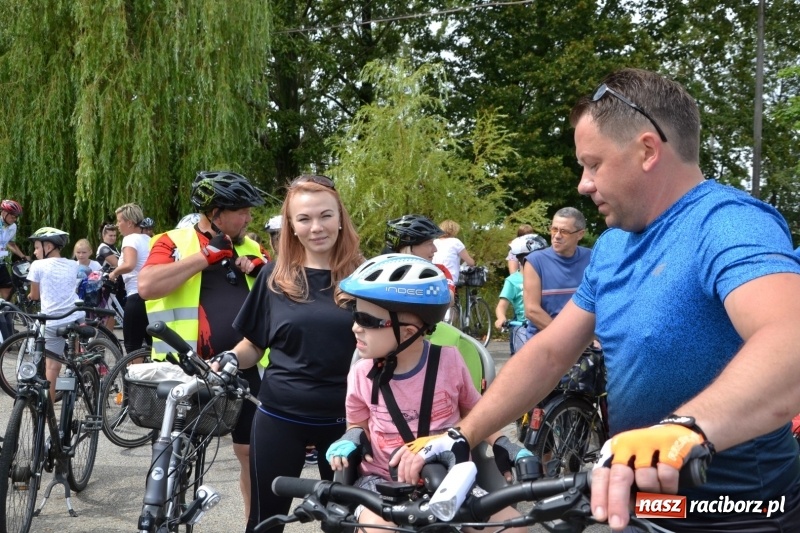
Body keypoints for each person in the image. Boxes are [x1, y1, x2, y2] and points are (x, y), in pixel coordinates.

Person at [391, 68, 800, 531]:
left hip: (741, 513)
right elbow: (549, 352)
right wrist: (464, 435)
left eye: (593, 164)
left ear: (647, 150)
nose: (583, 184)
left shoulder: (728, 223)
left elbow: (790, 338)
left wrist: (687, 428)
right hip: (645, 507)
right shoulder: (613, 244)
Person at [327, 254, 528, 533]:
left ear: (408, 331)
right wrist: (351, 435)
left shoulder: (450, 362)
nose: (354, 327)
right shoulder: (361, 374)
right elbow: (358, 423)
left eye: (365, 319)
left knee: (515, 529)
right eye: (354, 316)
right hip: (383, 483)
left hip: (451, 480)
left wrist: (503, 442)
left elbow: (475, 413)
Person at [209, 174, 361, 533]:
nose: (316, 227)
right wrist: (231, 359)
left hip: (349, 423)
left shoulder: (364, 277)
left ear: (340, 218)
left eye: (325, 216)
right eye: (304, 219)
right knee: (265, 522)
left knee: (343, 524)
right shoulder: (275, 276)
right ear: (291, 226)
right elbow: (253, 346)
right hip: (279, 416)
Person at [138, 170, 269, 519]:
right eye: (242, 210)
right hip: (184, 367)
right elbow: (147, 286)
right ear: (215, 212)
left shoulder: (251, 246)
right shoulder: (172, 241)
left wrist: (264, 270)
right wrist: (204, 256)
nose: (248, 217)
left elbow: (286, 287)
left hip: (241, 366)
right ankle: (166, 518)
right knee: (174, 453)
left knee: (251, 454)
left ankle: (254, 526)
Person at [26, 227, 85, 402]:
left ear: (49, 246)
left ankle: (48, 411)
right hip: (74, 316)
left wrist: (30, 295)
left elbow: (35, 296)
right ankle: (80, 364)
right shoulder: (74, 264)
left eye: (37, 247)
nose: (35, 252)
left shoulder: (37, 265)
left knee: (51, 366)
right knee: (72, 353)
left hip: (52, 320)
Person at [523, 207, 591, 338]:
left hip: (585, 340)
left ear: (580, 234)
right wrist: (566, 338)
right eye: (554, 229)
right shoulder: (535, 261)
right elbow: (532, 310)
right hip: (545, 339)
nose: (557, 236)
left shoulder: (591, 258)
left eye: (564, 231)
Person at [108, 203, 152, 354]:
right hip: (153, 298)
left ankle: (134, 377)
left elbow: (130, 264)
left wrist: (114, 273)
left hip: (136, 295)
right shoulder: (148, 239)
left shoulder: (130, 239)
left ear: (130, 222)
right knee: (154, 347)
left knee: (133, 349)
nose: (117, 225)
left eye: (119, 221)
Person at [383, 214, 456, 304]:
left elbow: (449, 298)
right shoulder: (386, 272)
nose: (435, 249)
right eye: (429, 243)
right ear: (409, 247)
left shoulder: (440, 272)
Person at [494, 234, 547, 354]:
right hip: (523, 327)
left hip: (545, 325)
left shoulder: (547, 277)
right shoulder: (513, 280)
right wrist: (501, 317)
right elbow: (502, 305)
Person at [0, 199, 29, 338]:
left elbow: (11, 243)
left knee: (7, 291)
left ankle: (4, 323)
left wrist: (23, 256)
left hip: (0, 262)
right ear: (4, 212)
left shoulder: (13, 227)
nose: (14, 218)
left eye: (16, 216)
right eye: (12, 215)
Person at [432, 219, 475, 284]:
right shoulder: (455, 242)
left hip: (434, 277)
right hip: (449, 279)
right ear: (454, 231)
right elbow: (470, 263)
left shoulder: (434, 242)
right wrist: (472, 261)